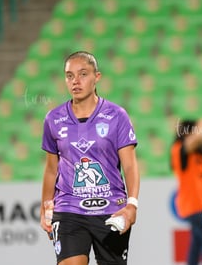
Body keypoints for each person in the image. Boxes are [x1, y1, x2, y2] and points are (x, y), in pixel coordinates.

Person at [40, 51, 140, 265]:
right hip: (69, 209)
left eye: (83, 74)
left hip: (111, 209)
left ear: (97, 77)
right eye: (69, 75)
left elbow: (130, 166)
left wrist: (132, 204)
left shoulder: (117, 116)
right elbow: (51, 169)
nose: (75, 81)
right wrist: (47, 205)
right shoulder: (53, 119)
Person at [171, 118, 202, 265]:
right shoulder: (179, 149)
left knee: (196, 244)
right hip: (192, 206)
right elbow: (197, 139)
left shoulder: (198, 154)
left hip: (200, 206)